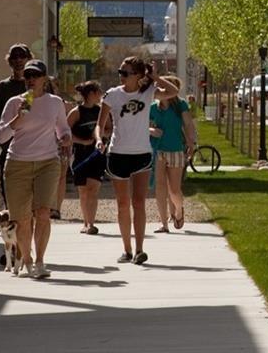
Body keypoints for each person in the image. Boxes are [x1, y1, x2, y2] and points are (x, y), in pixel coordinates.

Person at [0, 59, 70, 278]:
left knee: (43, 212)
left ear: (44, 79)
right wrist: (18, 118)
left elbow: (63, 128)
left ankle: (40, 262)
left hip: (48, 162)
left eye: (35, 75)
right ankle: (26, 261)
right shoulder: (14, 103)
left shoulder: (54, 102)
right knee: (22, 219)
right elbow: (1, 136)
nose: (31, 79)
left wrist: (66, 137)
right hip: (18, 163)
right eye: (28, 76)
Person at [99, 56, 156, 266]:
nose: (121, 76)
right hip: (118, 153)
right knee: (123, 204)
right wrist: (99, 139)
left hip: (142, 153)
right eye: (120, 72)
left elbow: (173, 91)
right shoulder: (113, 95)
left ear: (138, 75)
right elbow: (100, 124)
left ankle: (140, 249)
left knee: (139, 202)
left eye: (126, 73)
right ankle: (127, 249)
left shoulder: (148, 92)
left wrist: (155, 77)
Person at [149, 75, 196, 232]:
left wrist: (191, 142)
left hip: (176, 149)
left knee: (174, 189)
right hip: (158, 150)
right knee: (160, 187)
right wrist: (151, 130)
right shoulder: (152, 108)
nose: (159, 89)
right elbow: (142, 125)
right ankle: (164, 224)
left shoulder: (180, 105)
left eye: (163, 87)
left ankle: (178, 209)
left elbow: (188, 124)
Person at [0, 44, 33, 209]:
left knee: (32, 194)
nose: (18, 60)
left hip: (35, 145)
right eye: (14, 57)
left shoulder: (37, 86)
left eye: (22, 56)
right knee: (9, 192)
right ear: (9, 61)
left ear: (28, 59)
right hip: (8, 147)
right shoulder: (2, 88)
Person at [68, 81, 108, 235]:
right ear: (91, 94)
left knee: (93, 189)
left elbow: (109, 128)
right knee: (83, 191)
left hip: (97, 154)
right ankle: (85, 222)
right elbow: (65, 133)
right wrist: (82, 141)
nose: (100, 95)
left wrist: (100, 136)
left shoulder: (101, 111)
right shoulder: (76, 112)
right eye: (98, 92)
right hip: (80, 155)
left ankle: (91, 223)